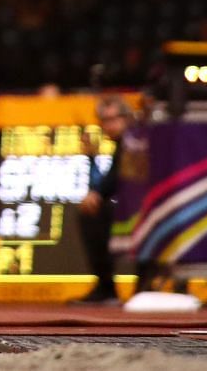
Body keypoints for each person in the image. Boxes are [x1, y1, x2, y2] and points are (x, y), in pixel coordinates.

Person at [74, 96, 130, 303]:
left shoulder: (134, 140)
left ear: (127, 117)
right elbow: (105, 185)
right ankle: (105, 287)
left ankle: (107, 287)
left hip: (144, 211)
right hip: (130, 208)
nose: (109, 125)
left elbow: (114, 183)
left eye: (114, 118)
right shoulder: (121, 144)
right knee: (93, 212)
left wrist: (97, 194)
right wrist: (91, 157)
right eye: (104, 120)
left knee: (97, 213)